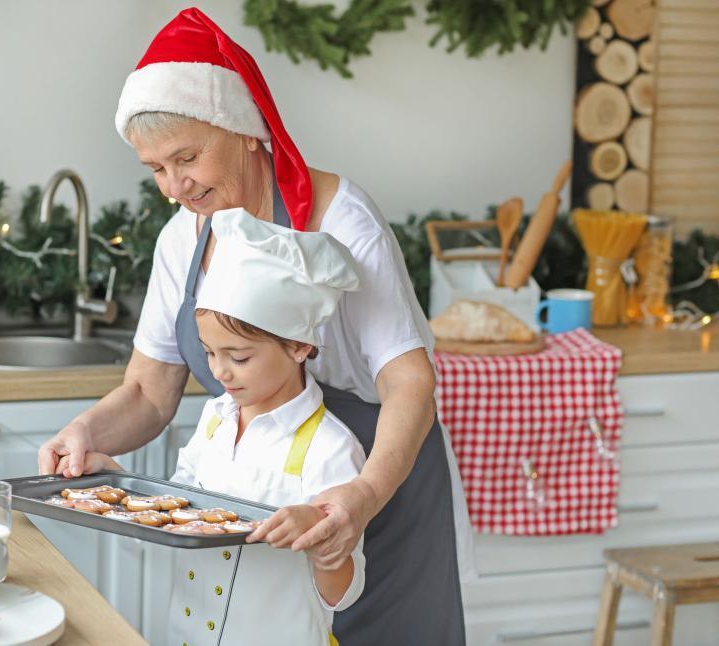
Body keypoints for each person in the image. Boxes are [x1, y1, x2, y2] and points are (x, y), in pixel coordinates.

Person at [39, 7, 472, 644]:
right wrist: (84, 431)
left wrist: (361, 497)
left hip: (376, 485)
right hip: (257, 501)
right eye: (155, 168)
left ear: (244, 131)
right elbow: (148, 390)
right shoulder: (181, 237)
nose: (174, 187)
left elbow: (410, 385)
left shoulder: (342, 220)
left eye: (187, 158)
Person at [85, 208, 367, 645]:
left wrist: (322, 544)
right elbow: (177, 507)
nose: (221, 372)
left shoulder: (330, 448)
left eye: (238, 357)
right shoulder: (216, 418)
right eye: (209, 353)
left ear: (298, 345)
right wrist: (118, 481)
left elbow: (344, 595)